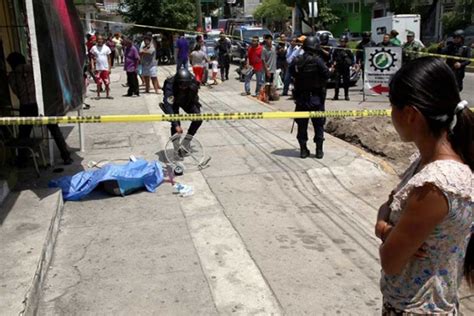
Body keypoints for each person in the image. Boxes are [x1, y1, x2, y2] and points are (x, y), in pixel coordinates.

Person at [376, 56, 473, 315]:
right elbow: (388, 203)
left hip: (418, 309)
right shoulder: (425, 163)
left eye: (392, 106)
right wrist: (386, 228)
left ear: (410, 114)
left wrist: (384, 228)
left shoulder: (435, 185)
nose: (390, 114)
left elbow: (391, 261)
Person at [7, 52, 72, 166]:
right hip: (41, 103)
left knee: (24, 133)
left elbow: (15, 90)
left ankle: (22, 160)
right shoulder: (34, 69)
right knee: (54, 130)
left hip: (26, 105)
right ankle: (65, 155)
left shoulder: (12, 76)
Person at [289, 36, 329, 159]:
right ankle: (319, 150)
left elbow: (291, 72)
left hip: (301, 99)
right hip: (316, 99)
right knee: (318, 125)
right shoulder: (318, 60)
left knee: (302, 125)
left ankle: (303, 150)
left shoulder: (297, 60)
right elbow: (327, 74)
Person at [161, 68, 203, 156]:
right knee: (176, 126)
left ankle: (186, 142)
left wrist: (197, 110)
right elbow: (168, 104)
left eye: (185, 85)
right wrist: (176, 124)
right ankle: (176, 148)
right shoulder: (170, 84)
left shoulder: (192, 82)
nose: (183, 87)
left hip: (187, 100)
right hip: (174, 102)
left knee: (198, 119)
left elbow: (195, 97)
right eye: (181, 85)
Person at [331, 35, 354, 101]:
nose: (342, 42)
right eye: (341, 41)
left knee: (346, 82)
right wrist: (333, 63)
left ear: (346, 42)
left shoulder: (348, 49)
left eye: (343, 41)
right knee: (337, 83)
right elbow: (333, 57)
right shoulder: (337, 49)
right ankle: (336, 95)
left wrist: (352, 65)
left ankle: (346, 95)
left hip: (345, 68)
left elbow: (352, 58)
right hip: (338, 67)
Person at [90, 35, 112, 100]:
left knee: (107, 82)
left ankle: (107, 95)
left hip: (105, 68)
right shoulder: (94, 48)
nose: (100, 41)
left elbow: (109, 58)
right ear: (97, 40)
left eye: (101, 39)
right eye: (98, 39)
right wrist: (92, 66)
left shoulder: (107, 48)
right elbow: (91, 58)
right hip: (98, 68)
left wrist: (109, 68)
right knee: (98, 82)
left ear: (103, 40)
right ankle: (98, 95)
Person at [262, 34, 277, 102]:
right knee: (267, 84)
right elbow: (263, 60)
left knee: (271, 83)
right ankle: (266, 97)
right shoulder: (264, 49)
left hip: (273, 69)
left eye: (270, 39)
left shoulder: (274, 48)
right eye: (267, 39)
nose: (269, 41)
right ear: (265, 40)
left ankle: (270, 95)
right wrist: (267, 71)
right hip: (268, 69)